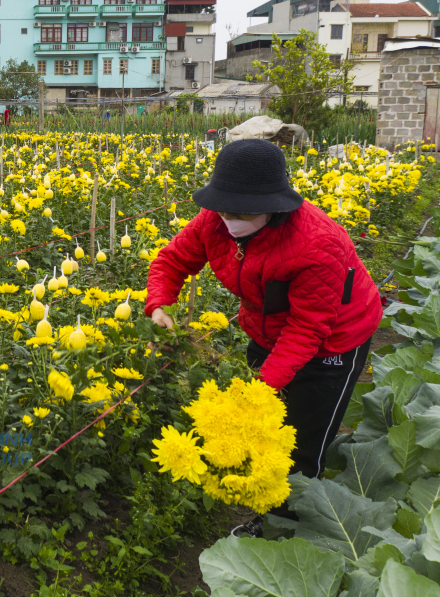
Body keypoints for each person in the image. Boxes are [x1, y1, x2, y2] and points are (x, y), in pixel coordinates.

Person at [144, 139, 382, 537]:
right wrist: (158, 307)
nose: (230, 219)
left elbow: (307, 330)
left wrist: (259, 390)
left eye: (241, 212)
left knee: (303, 438)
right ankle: (264, 500)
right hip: (266, 327)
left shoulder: (317, 242)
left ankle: (284, 529)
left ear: (274, 205)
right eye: (224, 209)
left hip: (334, 339)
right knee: (264, 427)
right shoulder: (213, 222)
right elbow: (171, 260)